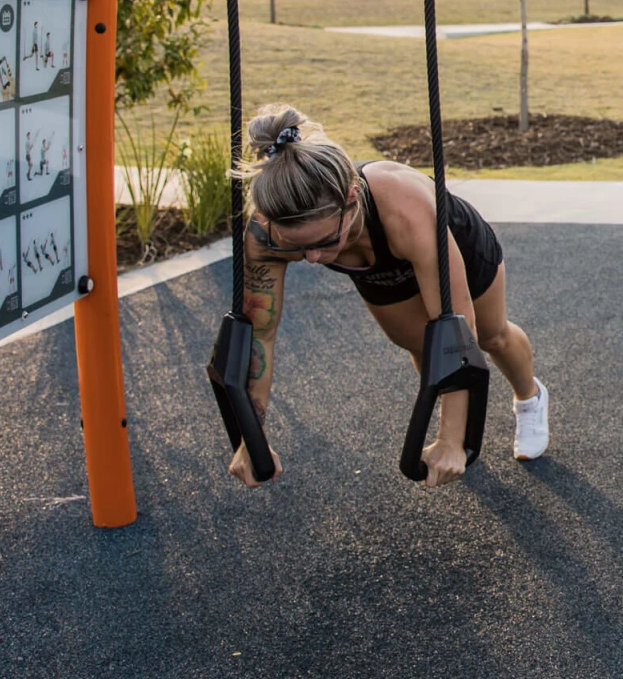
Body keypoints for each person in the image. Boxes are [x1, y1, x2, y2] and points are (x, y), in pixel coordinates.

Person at [228, 104, 547, 488]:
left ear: (350, 197)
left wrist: (451, 440)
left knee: (490, 336)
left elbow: (458, 331)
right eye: (297, 247)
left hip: (454, 242)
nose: (311, 259)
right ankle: (455, 411)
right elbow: (259, 336)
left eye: (323, 242)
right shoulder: (265, 235)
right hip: (376, 263)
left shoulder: (407, 213)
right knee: (417, 343)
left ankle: (529, 398)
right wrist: (250, 436)